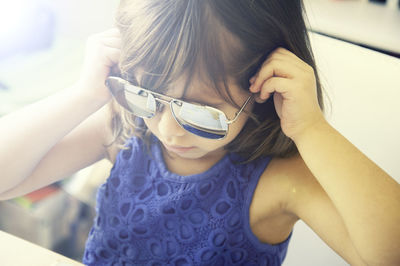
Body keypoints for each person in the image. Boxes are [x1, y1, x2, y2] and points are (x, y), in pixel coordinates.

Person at [0, 0, 399, 265]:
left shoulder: (277, 180)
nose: (168, 129)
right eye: (146, 93)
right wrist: (83, 95)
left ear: (262, 88)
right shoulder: (125, 126)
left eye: (202, 111)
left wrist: (312, 130)